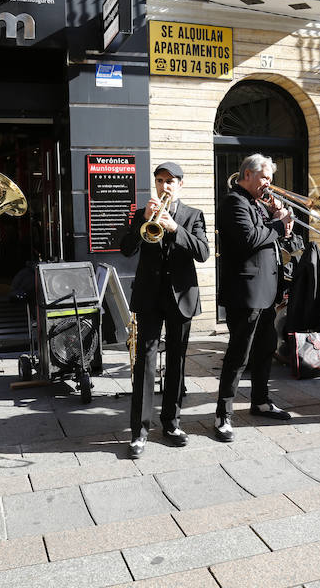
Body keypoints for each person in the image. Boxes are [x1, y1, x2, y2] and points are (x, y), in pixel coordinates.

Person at [120, 162, 209, 458]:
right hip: (149, 297)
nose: (164, 186)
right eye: (160, 180)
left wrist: (174, 228)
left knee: (177, 361)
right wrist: (142, 221)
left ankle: (171, 424)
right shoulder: (141, 214)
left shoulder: (193, 216)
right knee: (145, 361)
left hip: (181, 297)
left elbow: (203, 252)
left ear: (180, 184)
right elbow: (125, 248)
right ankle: (139, 432)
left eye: (170, 181)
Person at [214, 154, 293, 442]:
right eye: (265, 179)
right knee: (239, 354)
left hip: (267, 291)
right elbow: (249, 239)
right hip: (245, 293)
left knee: (265, 349)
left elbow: (270, 240)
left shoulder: (257, 204)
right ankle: (223, 413)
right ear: (247, 174)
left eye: (270, 180)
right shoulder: (234, 202)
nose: (268, 186)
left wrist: (282, 225)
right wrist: (278, 224)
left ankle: (260, 401)